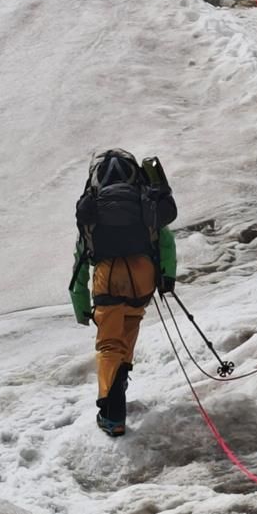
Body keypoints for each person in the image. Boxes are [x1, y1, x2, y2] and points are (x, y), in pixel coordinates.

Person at [68, 149, 178, 437]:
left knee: (108, 345)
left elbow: (81, 258)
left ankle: (112, 412)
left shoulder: (93, 209)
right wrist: (167, 277)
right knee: (128, 327)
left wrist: (80, 304)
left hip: (108, 278)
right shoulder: (143, 201)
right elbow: (165, 241)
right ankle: (121, 379)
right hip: (143, 277)